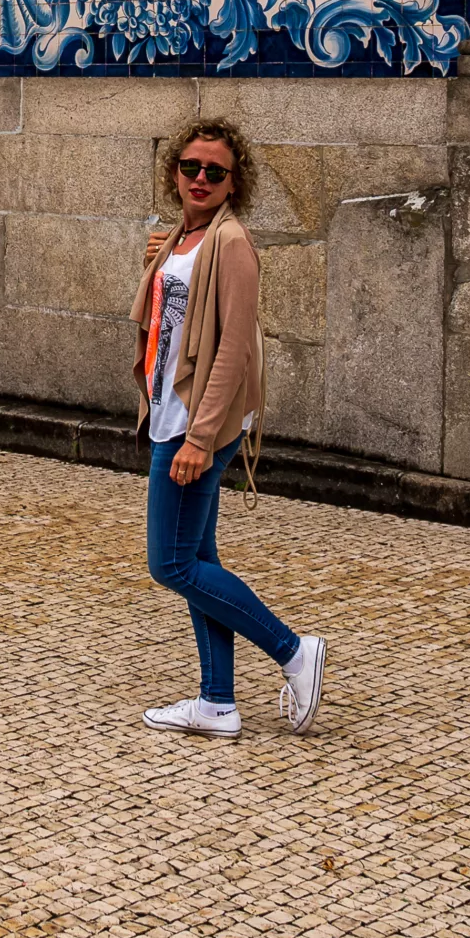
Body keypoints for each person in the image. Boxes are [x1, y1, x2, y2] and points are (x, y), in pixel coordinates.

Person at [132, 116, 326, 739]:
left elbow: (234, 346)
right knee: (198, 556)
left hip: (196, 426)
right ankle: (217, 702)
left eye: (215, 171)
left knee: (170, 564)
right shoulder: (183, 239)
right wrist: (160, 265)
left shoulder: (232, 242)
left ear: (233, 181)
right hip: (172, 413)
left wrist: (198, 436)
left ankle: (295, 652)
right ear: (175, 172)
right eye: (191, 167)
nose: (200, 178)